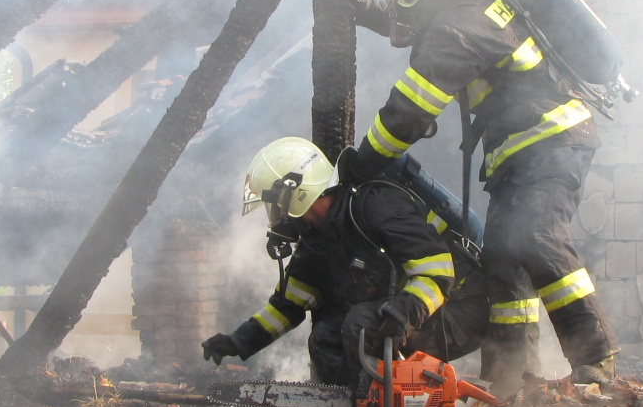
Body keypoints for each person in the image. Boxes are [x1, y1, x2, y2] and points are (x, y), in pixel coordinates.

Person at [337, 0, 618, 385]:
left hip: (551, 141)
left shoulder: (459, 25)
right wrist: (365, 11)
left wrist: (364, 162)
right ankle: (512, 378)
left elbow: (409, 112)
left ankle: (597, 363)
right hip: (522, 152)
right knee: (504, 264)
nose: (393, 4)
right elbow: (420, 28)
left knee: (538, 235)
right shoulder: (466, 2)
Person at [201, 137, 524, 391]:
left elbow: (437, 274)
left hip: (461, 308)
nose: (277, 218)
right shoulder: (317, 240)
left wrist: (401, 316)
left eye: (276, 207)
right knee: (326, 335)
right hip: (413, 314)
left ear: (298, 193)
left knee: (361, 323)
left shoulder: (378, 207)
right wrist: (238, 341)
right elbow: (288, 306)